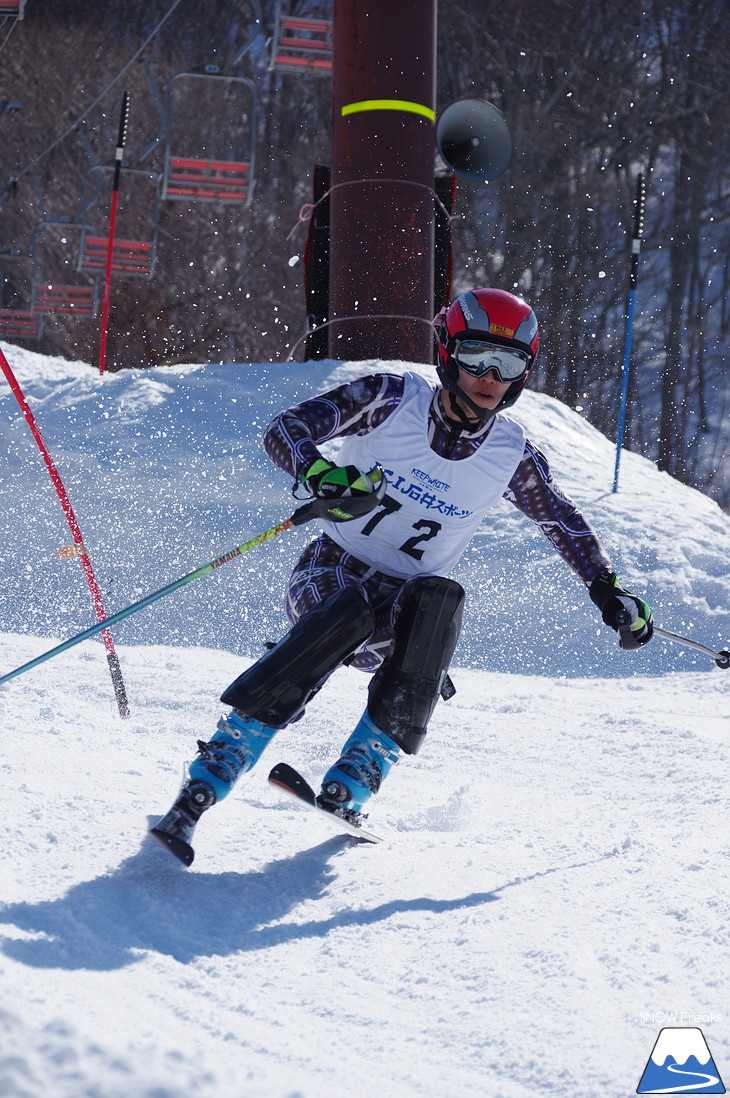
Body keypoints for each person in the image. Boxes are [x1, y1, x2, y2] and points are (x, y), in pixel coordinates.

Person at [151, 287, 653, 865]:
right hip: (332, 573)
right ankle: (211, 775)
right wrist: (321, 473)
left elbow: (563, 523)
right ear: (446, 353)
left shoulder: (511, 453)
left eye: (509, 364)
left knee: (439, 601)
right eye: (476, 358)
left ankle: (357, 777)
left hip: (404, 609)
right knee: (346, 614)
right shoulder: (392, 399)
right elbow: (286, 427)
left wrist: (608, 593)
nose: (490, 376)